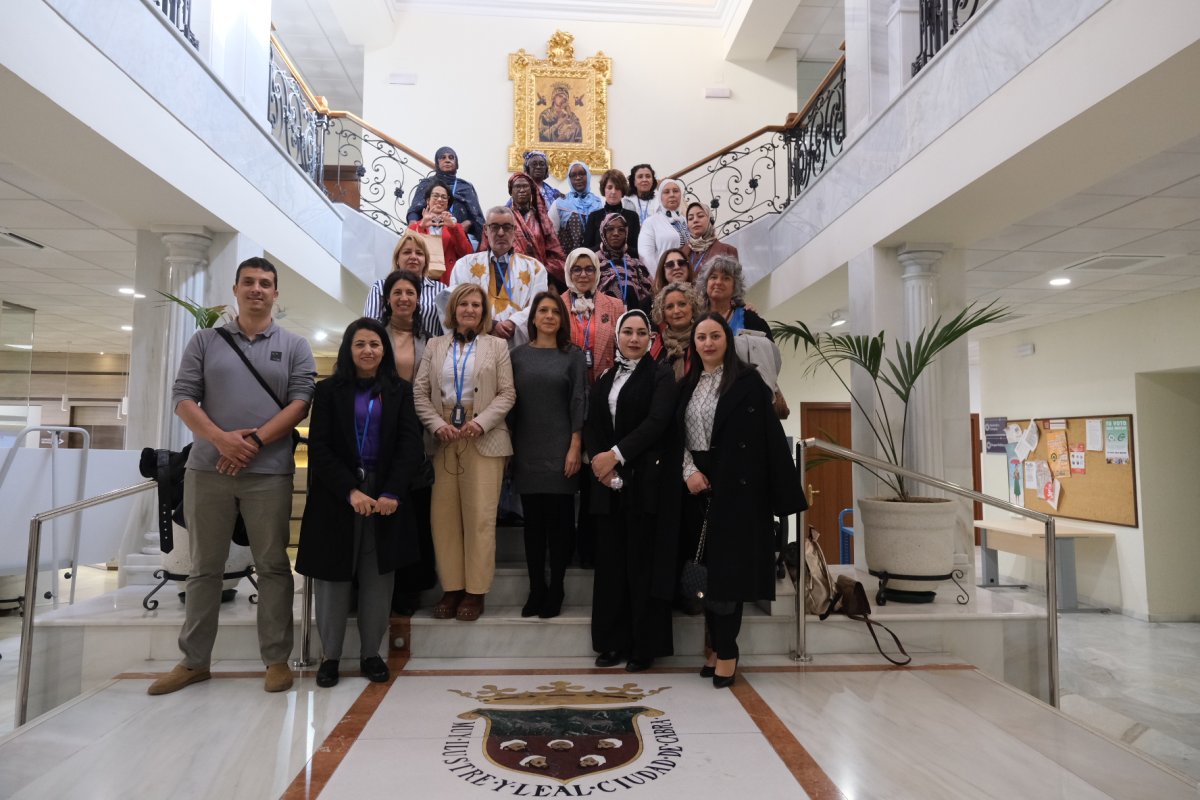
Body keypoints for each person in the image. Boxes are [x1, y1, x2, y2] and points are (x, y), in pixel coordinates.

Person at [151, 256, 316, 696]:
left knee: (274, 565)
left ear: (276, 293)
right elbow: (184, 397)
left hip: (269, 473)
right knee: (204, 568)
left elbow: (301, 403)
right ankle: (194, 661)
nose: (257, 289)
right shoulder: (205, 341)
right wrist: (222, 440)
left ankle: (276, 659)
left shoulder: (295, 346)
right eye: (249, 282)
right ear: (236, 289)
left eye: (266, 283)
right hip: (209, 470)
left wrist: (254, 442)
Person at [677, 313, 805, 688]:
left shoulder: (748, 383)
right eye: (701, 337)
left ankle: (727, 651)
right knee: (706, 575)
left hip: (736, 489)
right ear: (694, 343)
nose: (708, 343)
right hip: (696, 485)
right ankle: (715, 647)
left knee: (728, 578)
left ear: (726, 341)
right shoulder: (687, 385)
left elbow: (764, 437)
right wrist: (688, 472)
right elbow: (677, 438)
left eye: (715, 335)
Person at [296, 318, 423, 688]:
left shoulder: (399, 390)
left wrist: (391, 492)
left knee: (377, 581)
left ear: (384, 350)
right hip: (338, 498)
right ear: (348, 350)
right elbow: (318, 447)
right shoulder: (329, 390)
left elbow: (409, 446)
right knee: (332, 580)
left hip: (384, 499)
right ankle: (330, 656)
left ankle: (371, 654)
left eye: (375, 344)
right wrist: (350, 491)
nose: (368, 351)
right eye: (360, 344)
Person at [413, 283, 516, 622]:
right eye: (464, 304)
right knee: (443, 519)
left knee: (480, 519)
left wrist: (482, 422)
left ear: (484, 312)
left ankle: (475, 591)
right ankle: (452, 587)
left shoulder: (497, 345)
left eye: (476, 305)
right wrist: (436, 424)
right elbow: (420, 393)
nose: (470, 309)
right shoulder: (434, 344)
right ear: (453, 310)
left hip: (483, 438)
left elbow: (507, 394)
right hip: (444, 437)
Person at [585, 310, 679, 673]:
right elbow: (593, 423)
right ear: (618, 336)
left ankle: (644, 646)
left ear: (652, 339)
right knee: (610, 566)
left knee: (642, 566)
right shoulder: (606, 376)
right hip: (607, 485)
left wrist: (615, 456)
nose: (635, 338)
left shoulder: (661, 375)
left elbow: (656, 423)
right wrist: (598, 462)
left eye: (642, 333)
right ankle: (612, 642)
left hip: (645, 483)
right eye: (628, 332)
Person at [509, 292, 586, 618]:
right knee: (533, 527)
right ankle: (536, 588)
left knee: (560, 525)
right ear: (534, 318)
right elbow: (510, 404)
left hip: (562, 451)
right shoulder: (517, 356)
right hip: (527, 449)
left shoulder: (573, 356)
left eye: (555, 311)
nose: (550, 316)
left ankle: (557, 589)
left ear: (562, 319)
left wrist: (575, 446)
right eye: (543, 310)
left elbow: (579, 402)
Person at [380, 270, 438, 614]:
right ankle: (377, 585)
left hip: (418, 434)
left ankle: (411, 588)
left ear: (419, 300)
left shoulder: (430, 339)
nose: (404, 298)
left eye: (410, 293)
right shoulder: (373, 335)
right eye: (397, 292)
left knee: (415, 513)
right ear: (388, 298)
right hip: (380, 431)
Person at [449, 206, 550, 344]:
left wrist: (513, 323)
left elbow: (539, 305)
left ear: (515, 230)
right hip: (474, 346)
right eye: (495, 227)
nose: (501, 233)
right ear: (485, 230)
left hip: (518, 347)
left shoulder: (535, 268)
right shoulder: (465, 265)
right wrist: (490, 324)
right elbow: (454, 302)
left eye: (507, 227)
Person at [363, 230, 445, 338]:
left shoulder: (441, 290)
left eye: (419, 253)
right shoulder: (380, 287)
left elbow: (448, 330)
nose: (413, 257)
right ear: (397, 259)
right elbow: (371, 325)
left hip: (430, 352)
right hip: (391, 351)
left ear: (426, 261)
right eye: (407, 252)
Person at [492, 172, 565, 289]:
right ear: (511, 191)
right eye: (517, 187)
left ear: (532, 190)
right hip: (508, 277)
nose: (521, 190)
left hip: (538, 277)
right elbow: (490, 248)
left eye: (525, 186)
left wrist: (543, 270)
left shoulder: (542, 219)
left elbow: (554, 251)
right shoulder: (502, 218)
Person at [564, 247, 623, 386]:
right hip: (567, 381)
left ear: (597, 272)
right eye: (577, 269)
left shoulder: (615, 306)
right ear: (568, 272)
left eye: (589, 269)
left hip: (604, 382)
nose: (583, 275)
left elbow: (621, 349)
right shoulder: (556, 306)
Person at [406, 146, 485, 248]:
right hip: (429, 234)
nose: (447, 160)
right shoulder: (427, 184)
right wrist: (414, 227)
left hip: (458, 236)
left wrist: (467, 223)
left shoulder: (465, 187)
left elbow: (476, 216)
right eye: (443, 158)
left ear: (456, 164)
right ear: (437, 163)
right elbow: (414, 210)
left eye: (451, 157)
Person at [408, 181, 474, 284]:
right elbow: (405, 252)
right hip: (419, 279)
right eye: (435, 196)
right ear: (428, 200)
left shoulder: (456, 227)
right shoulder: (415, 226)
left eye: (444, 197)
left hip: (446, 280)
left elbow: (467, 255)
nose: (439, 199)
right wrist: (421, 227)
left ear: (448, 203)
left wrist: (453, 228)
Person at [595, 213, 653, 315]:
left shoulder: (636, 264)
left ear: (626, 233)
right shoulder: (593, 262)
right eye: (610, 229)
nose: (616, 233)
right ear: (603, 232)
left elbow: (649, 295)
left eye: (621, 230)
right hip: (603, 319)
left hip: (634, 320)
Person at [702, 254, 772, 338]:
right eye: (713, 277)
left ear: (735, 286)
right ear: (706, 283)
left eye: (726, 278)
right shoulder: (695, 315)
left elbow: (767, 349)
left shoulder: (749, 319)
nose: (718, 282)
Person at [650, 281, 702, 382]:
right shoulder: (654, 343)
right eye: (669, 306)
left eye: (682, 304)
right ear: (662, 312)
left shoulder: (702, 341)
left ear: (693, 307)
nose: (676, 311)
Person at [583, 169, 641, 257]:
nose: (613, 192)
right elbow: (586, 250)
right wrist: (602, 246)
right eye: (609, 187)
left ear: (622, 191)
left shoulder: (633, 216)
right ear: (604, 189)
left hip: (627, 265)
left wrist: (625, 248)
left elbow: (638, 251)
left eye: (617, 188)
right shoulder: (594, 216)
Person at [637, 177, 687, 274]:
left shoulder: (686, 220)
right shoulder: (651, 222)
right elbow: (646, 256)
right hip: (665, 278)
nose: (672, 195)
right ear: (660, 197)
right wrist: (657, 280)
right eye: (666, 192)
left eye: (676, 191)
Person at [551, 161, 603, 255]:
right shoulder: (560, 203)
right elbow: (552, 234)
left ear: (588, 175)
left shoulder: (599, 203)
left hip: (595, 257)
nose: (578, 178)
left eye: (582, 174)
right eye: (573, 175)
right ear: (569, 179)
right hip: (568, 257)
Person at [682, 201, 738, 276]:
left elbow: (733, 283)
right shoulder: (681, 252)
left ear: (710, 220)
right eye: (690, 218)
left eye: (700, 216)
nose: (695, 220)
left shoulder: (728, 250)